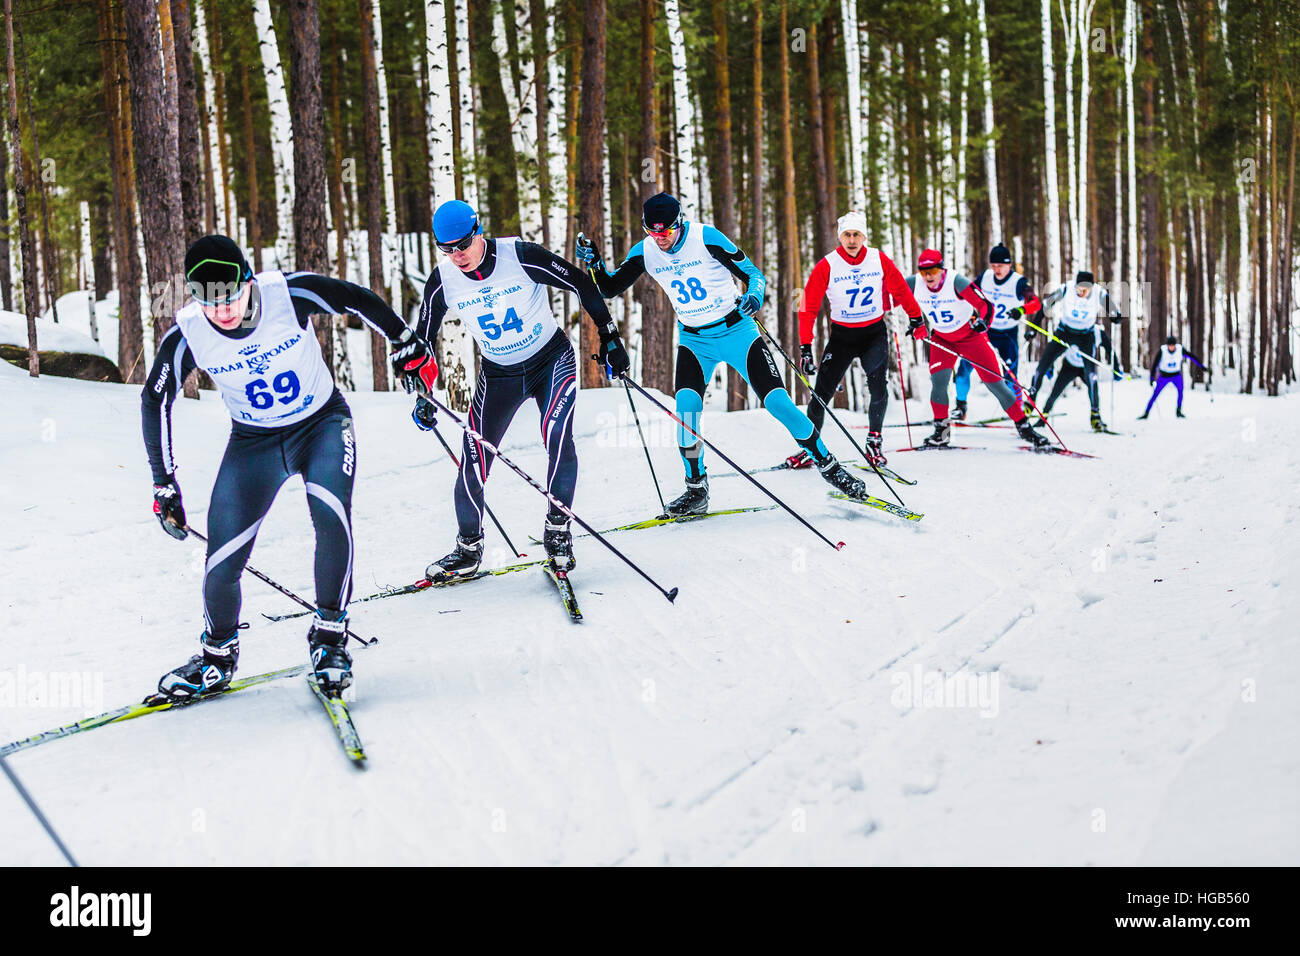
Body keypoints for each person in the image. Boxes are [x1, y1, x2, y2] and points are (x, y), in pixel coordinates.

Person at [143, 234, 422, 699]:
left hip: (322, 426)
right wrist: (163, 482)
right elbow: (155, 398)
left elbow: (354, 298)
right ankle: (216, 657)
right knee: (221, 558)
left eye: (230, 295)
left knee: (331, 518)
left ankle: (330, 638)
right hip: (253, 444)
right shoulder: (189, 333)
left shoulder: (287, 295)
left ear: (248, 280)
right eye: (209, 301)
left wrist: (404, 340)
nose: (223, 310)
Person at [576, 192, 866, 514]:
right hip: (694, 341)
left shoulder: (705, 237)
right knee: (686, 413)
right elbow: (609, 288)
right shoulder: (645, 251)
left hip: (737, 332)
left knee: (778, 404)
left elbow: (754, 274)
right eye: (653, 232)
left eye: (667, 232)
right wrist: (595, 263)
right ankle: (696, 489)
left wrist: (755, 295)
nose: (660, 239)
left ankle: (829, 466)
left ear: (680, 223)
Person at [413, 199, 628, 581]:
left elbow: (579, 282)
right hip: (499, 375)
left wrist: (609, 336)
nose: (456, 256)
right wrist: (423, 393)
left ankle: (558, 532)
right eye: (445, 249)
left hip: (551, 361)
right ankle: (467, 548)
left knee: (559, 438)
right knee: (473, 457)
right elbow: (423, 340)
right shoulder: (443, 280)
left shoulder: (519, 256)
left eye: (462, 245)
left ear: (478, 231)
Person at [789, 211, 922, 467]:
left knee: (878, 387)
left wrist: (916, 317)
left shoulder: (878, 259)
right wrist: (805, 347)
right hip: (842, 337)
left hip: (873, 333)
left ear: (864, 236)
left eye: (856, 235)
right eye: (847, 235)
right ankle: (810, 447)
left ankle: (874, 441)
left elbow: (900, 290)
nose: (851, 240)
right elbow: (807, 307)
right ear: (840, 237)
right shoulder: (827, 265)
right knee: (821, 395)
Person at [905, 248, 1051, 448]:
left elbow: (986, 305)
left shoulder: (956, 282)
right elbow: (893, 294)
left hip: (970, 337)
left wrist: (984, 322)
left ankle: (1025, 428)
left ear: (941, 269)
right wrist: (915, 322)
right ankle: (942, 432)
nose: (928, 276)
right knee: (939, 383)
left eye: (932, 271)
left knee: (996, 384)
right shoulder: (914, 283)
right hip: (942, 338)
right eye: (923, 272)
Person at [952, 242, 1043, 418]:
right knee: (964, 368)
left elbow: (1036, 303)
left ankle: (1018, 412)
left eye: (1000, 266)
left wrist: (1021, 310)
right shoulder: (985, 277)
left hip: (1007, 335)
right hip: (985, 331)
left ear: (1009, 264)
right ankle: (960, 407)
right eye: (993, 266)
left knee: (1009, 376)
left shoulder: (1019, 282)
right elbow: (967, 293)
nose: (997, 270)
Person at [1026, 270, 1123, 432]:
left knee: (1091, 376)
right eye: (1080, 288)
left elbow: (1115, 312)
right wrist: (1033, 329)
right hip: (1065, 332)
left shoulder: (1099, 293)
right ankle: (1030, 402)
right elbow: (1045, 306)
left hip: (1086, 336)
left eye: (1086, 289)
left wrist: (1116, 317)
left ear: (1092, 287)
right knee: (1041, 367)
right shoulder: (1066, 289)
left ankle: (1095, 416)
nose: (1082, 292)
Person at [1038, 319, 1121, 421]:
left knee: (1093, 388)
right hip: (1070, 365)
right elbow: (1054, 349)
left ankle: (1096, 417)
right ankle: (1044, 415)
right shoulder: (1069, 329)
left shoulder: (1098, 332)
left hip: (1087, 366)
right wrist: (1050, 367)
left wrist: (1116, 367)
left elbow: (1110, 350)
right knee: (1056, 390)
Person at [1139, 334, 1206, 419]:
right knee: (1155, 394)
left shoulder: (1180, 349)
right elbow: (1155, 364)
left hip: (1176, 375)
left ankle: (1178, 411)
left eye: (1172, 345)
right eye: (1169, 345)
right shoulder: (1162, 350)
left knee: (1180, 392)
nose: (1171, 347)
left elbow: (1191, 356)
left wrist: (1201, 366)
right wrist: (1152, 378)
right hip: (1164, 376)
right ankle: (1146, 413)